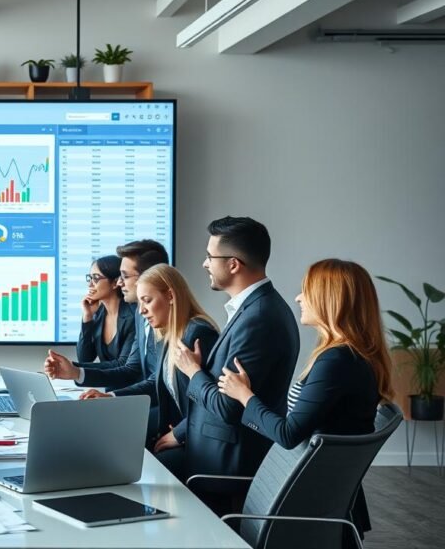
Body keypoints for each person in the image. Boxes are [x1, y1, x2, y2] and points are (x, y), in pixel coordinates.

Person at [218, 258, 393, 545]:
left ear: (329, 300)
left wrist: (244, 396)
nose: (298, 297)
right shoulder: (351, 356)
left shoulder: (337, 361)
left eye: (306, 291)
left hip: (305, 503)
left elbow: (288, 434)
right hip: (324, 497)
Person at [167, 216, 299, 508]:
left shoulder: (259, 318)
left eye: (210, 257)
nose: (204, 264)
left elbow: (228, 407)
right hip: (213, 455)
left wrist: (193, 371)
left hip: (225, 469)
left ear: (233, 264)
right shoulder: (254, 309)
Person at [44, 240, 169, 433]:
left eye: (124, 276)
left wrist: (78, 373)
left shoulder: (140, 315)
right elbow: (86, 357)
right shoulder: (131, 315)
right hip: (125, 396)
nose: (120, 282)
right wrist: (87, 319)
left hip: (142, 403)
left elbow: (133, 370)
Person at [130, 265, 220, 454]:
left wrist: (180, 433)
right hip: (179, 430)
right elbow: (157, 382)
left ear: (170, 296)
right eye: (139, 303)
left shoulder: (199, 333)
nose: (141, 311)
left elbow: (214, 401)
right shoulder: (168, 333)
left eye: (146, 301)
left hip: (198, 440)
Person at [73, 256, 137, 367]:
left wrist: (74, 369)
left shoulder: (133, 315)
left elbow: (123, 364)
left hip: (131, 383)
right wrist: (87, 317)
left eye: (96, 278)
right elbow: (85, 358)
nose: (90, 284)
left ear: (115, 282)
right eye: (90, 278)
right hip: (109, 383)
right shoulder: (98, 314)